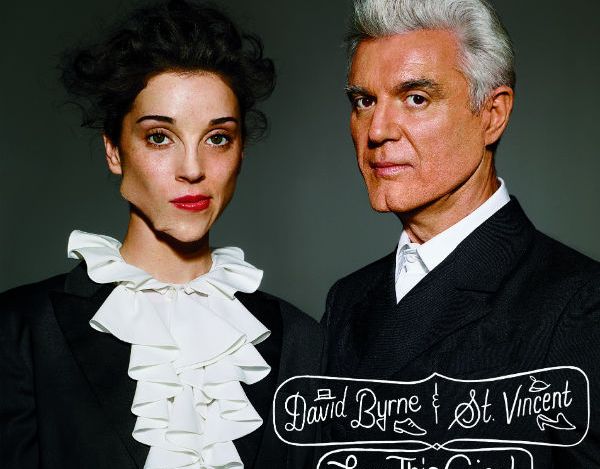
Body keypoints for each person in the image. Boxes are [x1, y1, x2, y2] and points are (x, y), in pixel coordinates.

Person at [0, 1, 322, 468]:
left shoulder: (300, 339)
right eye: (159, 137)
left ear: (241, 153)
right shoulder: (22, 329)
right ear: (114, 150)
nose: (192, 169)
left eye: (217, 138)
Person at [321, 0, 600, 465]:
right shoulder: (348, 300)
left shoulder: (580, 305)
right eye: (364, 101)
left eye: (416, 98)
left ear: (492, 114)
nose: (378, 131)